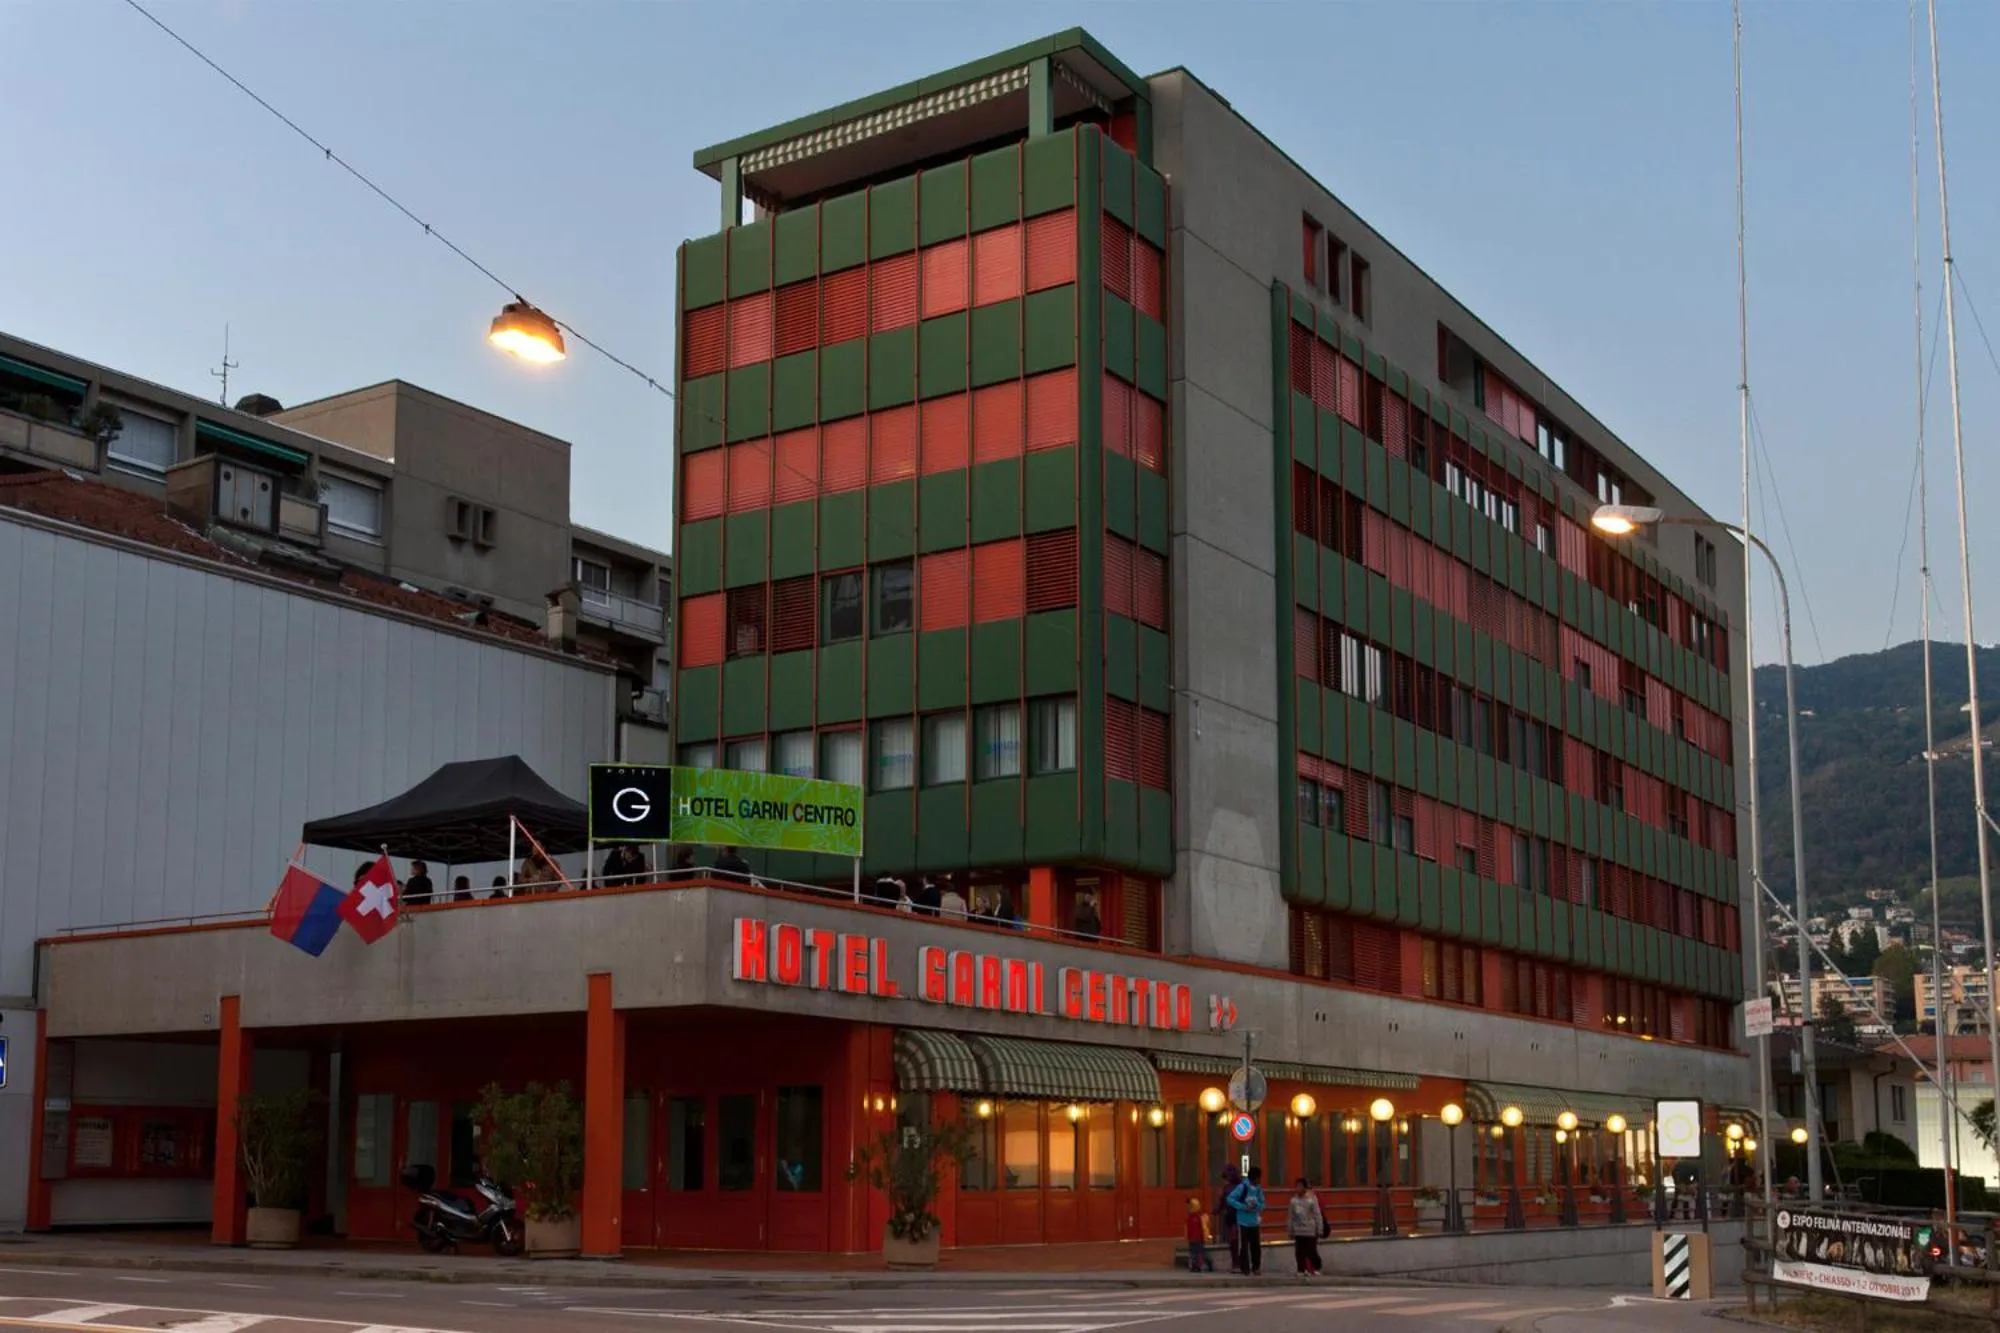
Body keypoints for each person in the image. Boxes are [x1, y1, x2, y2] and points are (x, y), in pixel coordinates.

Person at [1225, 1166, 1266, 1276]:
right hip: (1243, 1221)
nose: (1259, 1181)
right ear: (1253, 1177)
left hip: (1254, 1221)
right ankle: (1245, 1268)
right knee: (1244, 1246)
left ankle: (1256, 1267)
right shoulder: (1242, 1187)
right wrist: (1243, 1207)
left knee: (1256, 1246)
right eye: (1258, 1178)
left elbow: (1263, 1204)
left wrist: (1256, 1206)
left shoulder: (1258, 1189)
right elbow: (1230, 1199)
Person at [1288, 1178, 1324, 1276]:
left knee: (1311, 1250)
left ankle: (1317, 1267)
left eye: (1300, 1186)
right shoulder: (1293, 1201)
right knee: (1299, 1252)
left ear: (1304, 1187)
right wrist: (1290, 1230)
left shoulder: (1312, 1199)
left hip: (1310, 1229)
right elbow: (1291, 1217)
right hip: (1298, 1230)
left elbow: (1317, 1214)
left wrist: (1319, 1229)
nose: (1298, 1188)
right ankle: (1301, 1270)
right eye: (1297, 1186)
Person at [1212, 1164, 1241, 1273]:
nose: (1227, 1179)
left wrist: (1216, 1211)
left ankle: (1237, 1263)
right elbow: (1221, 1202)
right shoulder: (1232, 1187)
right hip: (1234, 1217)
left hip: (1236, 1217)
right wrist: (1216, 1211)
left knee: (1235, 1241)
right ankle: (1237, 1263)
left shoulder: (1229, 1188)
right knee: (1235, 1240)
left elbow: (1221, 1203)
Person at [1184, 1196, 1214, 1273]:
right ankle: (1195, 1266)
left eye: (1189, 1206)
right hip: (1192, 1238)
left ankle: (1204, 1264)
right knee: (1193, 1253)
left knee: (1200, 1253)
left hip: (1199, 1238)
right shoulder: (1189, 1217)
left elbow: (1205, 1228)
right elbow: (1187, 1228)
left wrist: (1207, 1237)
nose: (1188, 1208)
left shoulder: (1201, 1216)